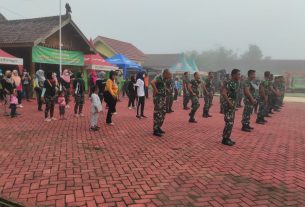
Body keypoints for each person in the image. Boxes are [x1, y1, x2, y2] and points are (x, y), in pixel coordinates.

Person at [221, 69, 241, 146]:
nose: (239, 76)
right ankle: (225, 139)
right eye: (238, 74)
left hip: (232, 104)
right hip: (228, 104)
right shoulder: (229, 83)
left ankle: (227, 137)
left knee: (231, 122)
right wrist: (229, 102)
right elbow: (224, 93)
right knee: (229, 121)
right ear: (233, 75)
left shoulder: (236, 83)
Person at [151, 69, 172, 137]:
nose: (169, 76)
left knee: (163, 112)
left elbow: (163, 85)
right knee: (158, 113)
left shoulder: (164, 79)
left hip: (163, 98)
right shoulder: (159, 77)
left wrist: (166, 89)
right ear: (165, 73)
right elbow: (152, 82)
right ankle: (155, 130)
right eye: (169, 75)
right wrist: (156, 90)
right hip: (158, 98)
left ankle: (159, 127)